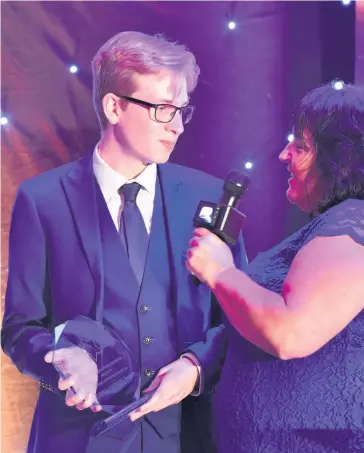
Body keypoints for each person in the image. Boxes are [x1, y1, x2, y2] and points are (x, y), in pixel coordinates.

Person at [1, 31, 246, 453]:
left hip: (186, 437)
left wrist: (195, 367)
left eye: (182, 111)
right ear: (114, 106)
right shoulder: (42, 200)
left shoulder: (207, 198)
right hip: (76, 439)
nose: (177, 126)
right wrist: (59, 357)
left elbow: (241, 318)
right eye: (163, 109)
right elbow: (20, 328)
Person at [187, 83, 364, 453]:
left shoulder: (360, 222)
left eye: (300, 147)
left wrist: (221, 272)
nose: (283, 155)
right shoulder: (345, 223)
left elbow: (290, 333)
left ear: (344, 159)